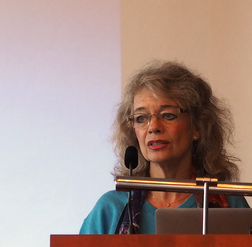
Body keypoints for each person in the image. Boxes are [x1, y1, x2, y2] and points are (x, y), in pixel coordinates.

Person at [80, 60, 249, 234]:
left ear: (198, 126)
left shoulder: (230, 204)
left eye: (168, 115)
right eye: (141, 118)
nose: (153, 127)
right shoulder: (110, 209)